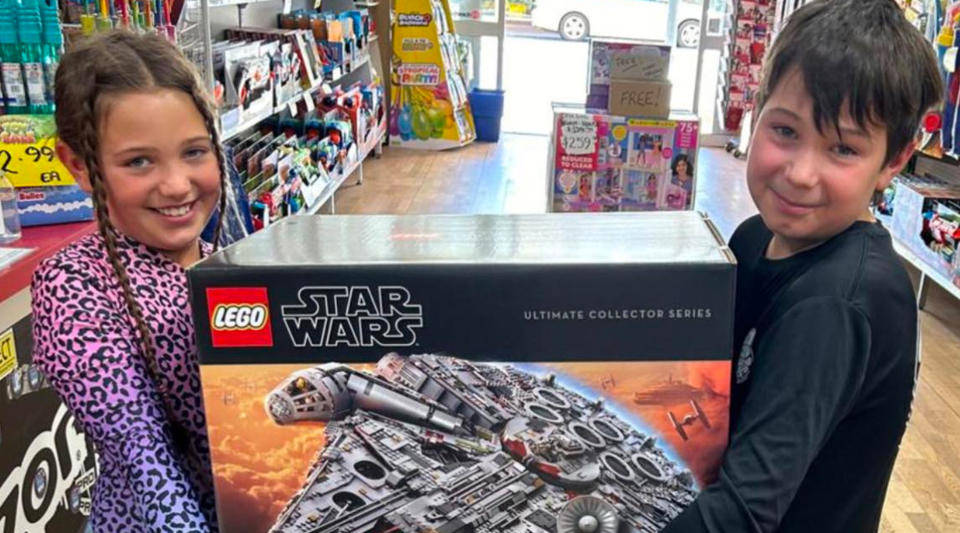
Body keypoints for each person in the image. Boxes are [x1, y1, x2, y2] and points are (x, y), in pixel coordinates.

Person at [662, 1, 942, 532]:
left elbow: (743, 513)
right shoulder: (752, 238)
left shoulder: (834, 304)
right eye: (786, 132)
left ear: (894, 162)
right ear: (755, 112)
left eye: (842, 148)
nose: (800, 173)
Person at [31, 31, 227, 533]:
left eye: (194, 152)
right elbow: (147, 466)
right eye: (139, 161)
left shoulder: (222, 261)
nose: (177, 184)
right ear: (79, 165)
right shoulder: (74, 284)